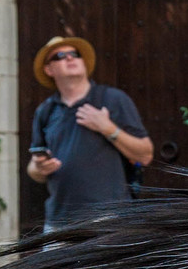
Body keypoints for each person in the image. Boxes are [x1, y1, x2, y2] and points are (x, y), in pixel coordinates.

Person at [27, 35, 154, 230]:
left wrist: (107, 128)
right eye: (60, 55)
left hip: (109, 220)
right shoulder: (45, 111)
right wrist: (38, 168)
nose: (70, 58)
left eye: (75, 54)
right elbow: (34, 170)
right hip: (58, 224)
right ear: (49, 69)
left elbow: (145, 155)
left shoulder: (112, 99)